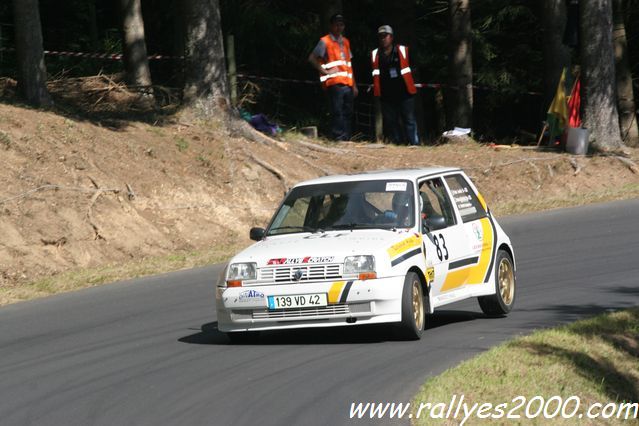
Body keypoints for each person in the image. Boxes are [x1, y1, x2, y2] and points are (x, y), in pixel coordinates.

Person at [308, 14, 358, 141]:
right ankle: (338, 138)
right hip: (334, 82)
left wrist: (354, 85)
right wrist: (325, 72)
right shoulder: (325, 41)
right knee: (337, 111)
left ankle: (346, 138)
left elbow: (349, 65)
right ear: (331, 26)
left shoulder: (346, 42)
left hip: (347, 82)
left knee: (348, 112)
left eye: (341, 24)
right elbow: (312, 58)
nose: (338, 27)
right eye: (336, 24)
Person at [371, 25, 419, 145]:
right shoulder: (375, 54)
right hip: (387, 95)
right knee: (391, 121)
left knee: (409, 120)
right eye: (381, 36)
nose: (383, 39)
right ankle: (398, 144)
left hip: (405, 93)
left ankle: (414, 143)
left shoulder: (402, 50)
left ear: (391, 37)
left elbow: (414, 66)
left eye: (385, 36)